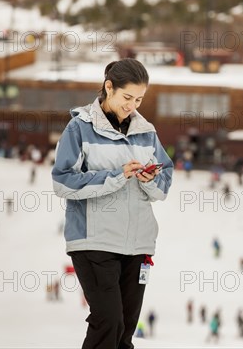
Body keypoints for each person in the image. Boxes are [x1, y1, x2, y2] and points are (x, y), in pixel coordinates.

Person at [52, 58, 173, 349]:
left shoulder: (147, 132)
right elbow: (62, 181)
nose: (132, 105)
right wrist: (116, 176)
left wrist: (147, 178)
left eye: (139, 99)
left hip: (137, 243)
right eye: (127, 97)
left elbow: (165, 182)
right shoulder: (79, 128)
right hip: (94, 241)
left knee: (124, 331)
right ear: (109, 87)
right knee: (108, 320)